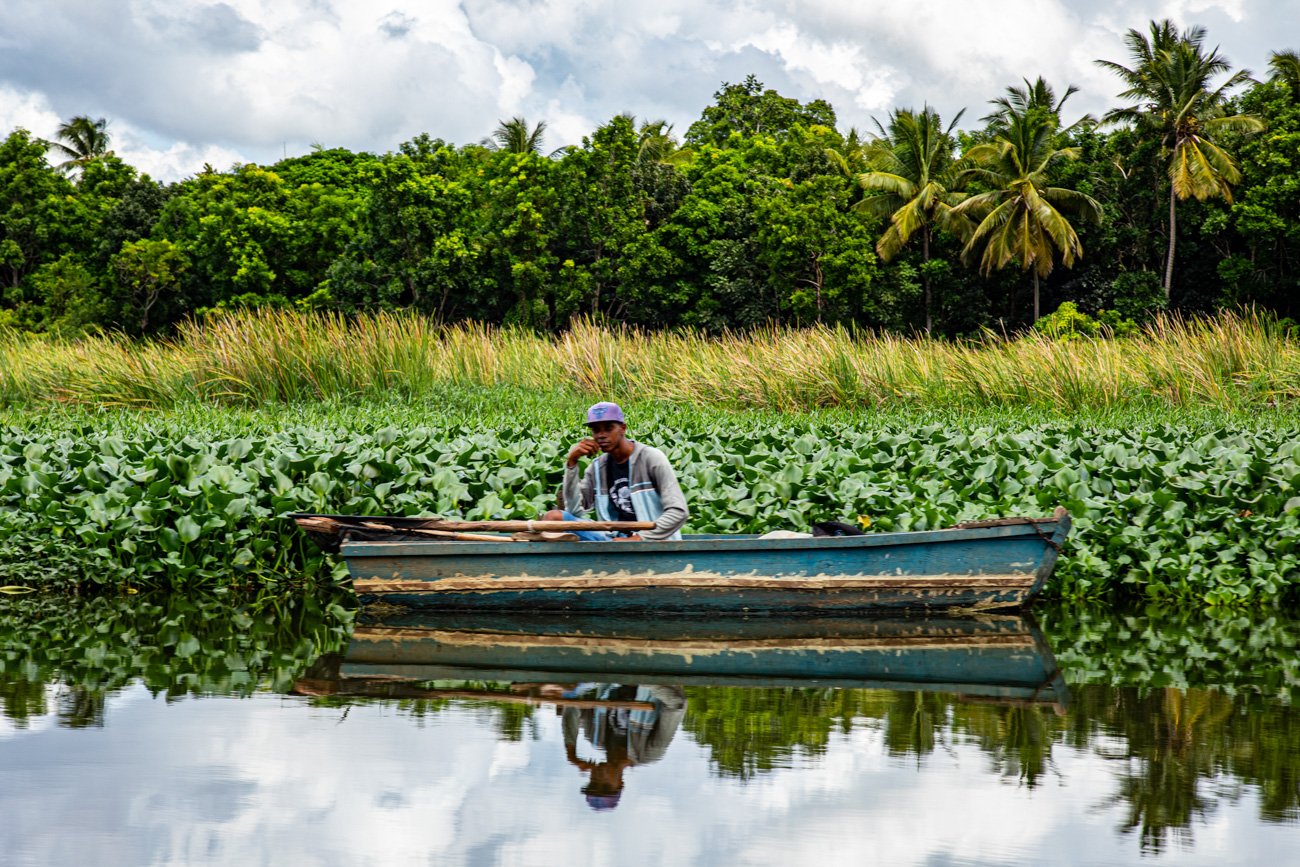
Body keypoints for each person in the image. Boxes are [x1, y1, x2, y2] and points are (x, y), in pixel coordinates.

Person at [543, 401, 688, 541]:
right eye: (596, 430)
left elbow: (678, 512)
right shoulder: (597, 468)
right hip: (613, 541)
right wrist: (572, 464)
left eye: (608, 428)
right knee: (553, 519)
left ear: (623, 428)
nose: (601, 435)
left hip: (652, 543)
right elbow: (574, 510)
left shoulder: (651, 458)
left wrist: (640, 538)